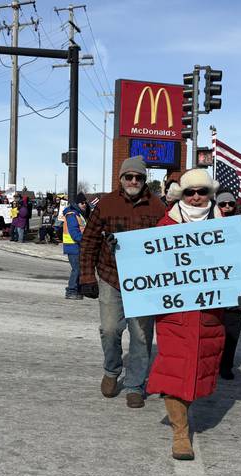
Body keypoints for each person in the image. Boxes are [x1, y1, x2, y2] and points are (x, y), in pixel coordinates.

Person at [146, 170, 241, 460]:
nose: (196, 197)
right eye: (189, 192)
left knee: (196, 371)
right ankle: (180, 434)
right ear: (181, 195)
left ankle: (184, 413)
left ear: (210, 194)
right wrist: (125, 254)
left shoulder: (228, 228)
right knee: (174, 371)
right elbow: (148, 266)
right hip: (175, 313)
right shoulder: (165, 224)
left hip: (210, 312)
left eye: (202, 191)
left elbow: (235, 269)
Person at [78, 156, 166, 408]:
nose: (134, 181)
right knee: (110, 329)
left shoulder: (157, 206)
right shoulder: (106, 204)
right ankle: (112, 369)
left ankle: (135, 385)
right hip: (111, 276)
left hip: (145, 282)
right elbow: (89, 241)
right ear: (121, 179)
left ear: (144, 179)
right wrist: (86, 277)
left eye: (139, 177)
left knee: (141, 335)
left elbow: (168, 245)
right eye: (129, 176)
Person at [216, 190, 241, 380]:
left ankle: (226, 365)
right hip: (212, 282)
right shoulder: (206, 222)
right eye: (222, 204)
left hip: (235, 280)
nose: (227, 208)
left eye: (230, 204)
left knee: (232, 326)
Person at [63, 193, 89, 300]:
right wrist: (85, 241)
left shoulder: (78, 214)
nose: (84, 205)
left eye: (85, 202)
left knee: (79, 269)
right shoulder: (72, 214)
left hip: (77, 246)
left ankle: (76, 289)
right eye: (82, 203)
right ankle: (71, 291)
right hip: (73, 246)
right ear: (77, 204)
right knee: (76, 269)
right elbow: (74, 233)